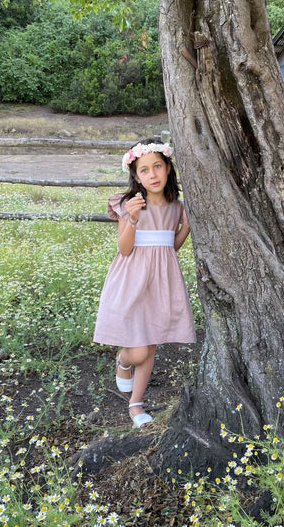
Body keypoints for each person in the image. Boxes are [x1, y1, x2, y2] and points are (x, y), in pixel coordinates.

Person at [93, 138, 196, 428]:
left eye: (158, 167)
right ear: (136, 176)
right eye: (144, 170)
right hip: (131, 281)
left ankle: (136, 404)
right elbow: (124, 249)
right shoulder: (130, 204)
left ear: (168, 168)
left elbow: (169, 247)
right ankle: (124, 361)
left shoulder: (177, 206)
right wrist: (133, 220)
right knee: (137, 350)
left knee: (150, 345)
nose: (153, 175)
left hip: (161, 283)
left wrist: (186, 226)